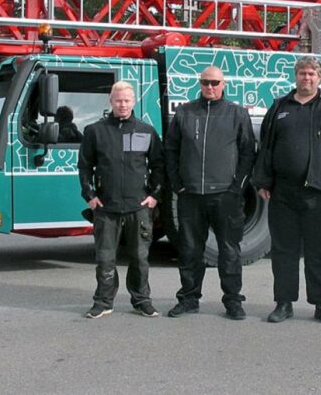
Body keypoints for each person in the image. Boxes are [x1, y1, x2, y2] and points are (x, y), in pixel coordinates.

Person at [252, 56, 321, 325]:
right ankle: (284, 303)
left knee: (320, 251)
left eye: (312, 74)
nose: (307, 78)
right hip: (283, 192)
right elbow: (266, 147)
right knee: (284, 250)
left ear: (320, 77)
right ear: (295, 76)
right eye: (302, 73)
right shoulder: (280, 107)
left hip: (319, 192)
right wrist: (263, 182)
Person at [164, 66, 257, 321]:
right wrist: (177, 185)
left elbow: (249, 151)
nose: (210, 87)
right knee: (190, 250)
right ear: (200, 83)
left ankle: (233, 301)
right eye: (205, 82)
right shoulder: (184, 112)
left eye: (215, 82)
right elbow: (170, 151)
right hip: (190, 194)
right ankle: (189, 299)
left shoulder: (236, 113)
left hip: (225, 195)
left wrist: (237, 187)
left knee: (229, 250)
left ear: (223, 84)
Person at [78, 81, 165, 319]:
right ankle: (103, 301)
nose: (123, 104)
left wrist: (155, 196)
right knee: (105, 258)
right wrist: (90, 196)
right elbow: (84, 166)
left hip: (139, 207)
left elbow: (159, 165)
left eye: (127, 100)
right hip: (106, 207)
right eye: (118, 100)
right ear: (111, 101)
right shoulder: (95, 131)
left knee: (139, 257)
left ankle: (142, 300)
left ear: (133, 101)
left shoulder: (146, 131)